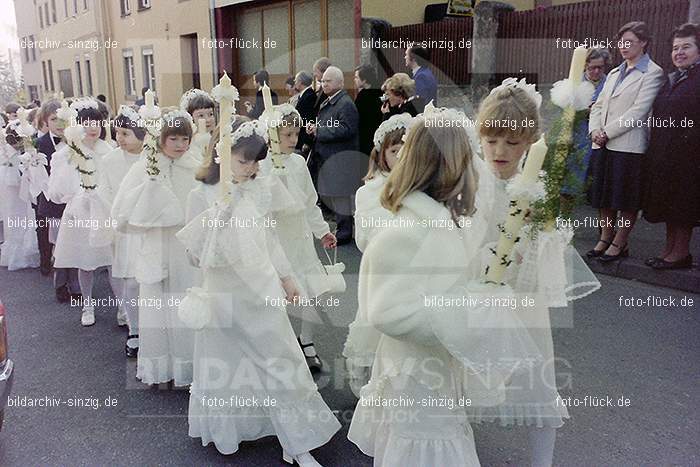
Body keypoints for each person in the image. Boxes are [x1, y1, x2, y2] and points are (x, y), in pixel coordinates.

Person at [347, 110, 541, 467]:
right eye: (471, 163)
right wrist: (468, 311)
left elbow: (451, 279)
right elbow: (387, 312)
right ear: (451, 168)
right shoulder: (408, 231)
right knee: (424, 448)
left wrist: (493, 272)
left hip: (433, 368)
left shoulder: (441, 222)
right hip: (416, 375)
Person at [177, 116, 340, 466]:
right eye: (243, 159)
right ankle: (233, 429)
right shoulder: (201, 194)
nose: (251, 168)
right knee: (227, 361)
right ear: (222, 152)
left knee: (279, 357)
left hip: (261, 287)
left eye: (256, 160)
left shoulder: (259, 189)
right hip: (224, 291)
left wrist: (288, 279)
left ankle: (295, 440)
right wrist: (214, 226)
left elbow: (269, 240)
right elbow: (193, 256)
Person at [474, 78, 598, 467]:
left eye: (512, 143)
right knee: (468, 377)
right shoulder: (469, 183)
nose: (500, 151)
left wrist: (538, 243)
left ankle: (542, 461)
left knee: (536, 379)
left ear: (530, 143)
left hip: (523, 298)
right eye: (492, 141)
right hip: (476, 291)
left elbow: (548, 246)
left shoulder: (538, 185)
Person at [111, 108, 201, 386]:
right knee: (159, 306)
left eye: (184, 138)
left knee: (186, 304)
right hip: (157, 247)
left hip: (185, 250)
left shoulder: (195, 166)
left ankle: (191, 365)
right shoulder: (145, 168)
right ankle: (162, 366)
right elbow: (121, 213)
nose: (180, 145)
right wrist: (149, 200)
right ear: (160, 138)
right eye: (173, 138)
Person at [259, 104, 337, 373]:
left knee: (310, 293)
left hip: (300, 235)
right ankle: (283, 344)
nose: (294, 140)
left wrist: (322, 231)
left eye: (296, 134)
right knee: (282, 292)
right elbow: (260, 206)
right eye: (287, 135)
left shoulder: (299, 163)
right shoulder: (262, 166)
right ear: (272, 135)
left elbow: (309, 202)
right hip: (277, 237)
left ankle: (307, 340)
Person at [343, 112, 413, 397]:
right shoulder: (369, 192)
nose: (402, 157)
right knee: (374, 326)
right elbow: (364, 240)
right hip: (382, 273)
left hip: (413, 274)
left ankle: (399, 383)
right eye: (396, 151)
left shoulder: (424, 188)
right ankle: (365, 383)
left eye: (409, 150)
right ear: (383, 154)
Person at [587, 21, 665, 262]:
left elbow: (638, 112)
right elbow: (598, 105)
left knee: (625, 197)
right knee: (604, 196)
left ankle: (620, 242)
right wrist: (594, 131)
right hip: (602, 142)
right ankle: (605, 237)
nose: (624, 46)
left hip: (628, 146)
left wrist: (607, 132)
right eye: (621, 42)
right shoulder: (613, 73)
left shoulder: (653, 73)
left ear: (643, 42)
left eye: (629, 41)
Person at [47, 98, 114, 326]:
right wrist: (79, 193)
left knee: (113, 261)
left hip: (106, 211)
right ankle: (87, 304)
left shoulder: (109, 151)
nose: (92, 128)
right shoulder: (65, 155)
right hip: (81, 214)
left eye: (96, 122)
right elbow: (55, 193)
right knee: (86, 262)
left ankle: (123, 306)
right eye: (85, 123)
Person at [642, 23, 700, 270]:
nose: (679, 52)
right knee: (668, 202)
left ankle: (680, 253)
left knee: (682, 205)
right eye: (676, 48)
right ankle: (669, 250)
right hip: (665, 152)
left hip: (689, 155)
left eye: (686, 47)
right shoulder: (672, 78)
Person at [98, 105, 146, 356]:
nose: (120, 139)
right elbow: (104, 191)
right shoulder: (110, 160)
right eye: (117, 133)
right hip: (124, 228)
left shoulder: (152, 158)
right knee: (130, 281)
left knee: (150, 280)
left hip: (149, 226)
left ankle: (155, 328)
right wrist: (118, 216)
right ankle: (134, 328)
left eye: (126, 133)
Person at [307, 66, 360, 245]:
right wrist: (315, 128)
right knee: (335, 195)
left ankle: (344, 232)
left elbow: (348, 129)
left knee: (341, 195)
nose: (324, 84)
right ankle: (341, 228)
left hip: (339, 157)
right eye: (323, 81)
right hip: (329, 155)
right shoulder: (330, 101)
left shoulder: (345, 103)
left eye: (328, 81)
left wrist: (320, 130)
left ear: (340, 82)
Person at [36, 100, 81, 296]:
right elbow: (38, 176)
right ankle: (60, 284)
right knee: (58, 244)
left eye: (62, 119)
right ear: (46, 121)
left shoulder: (77, 140)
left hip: (73, 198)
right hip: (51, 200)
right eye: (54, 119)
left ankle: (76, 283)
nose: (59, 124)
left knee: (74, 241)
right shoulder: (40, 143)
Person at [562, 48, 611, 200]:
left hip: (602, 131)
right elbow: (564, 110)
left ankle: (592, 195)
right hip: (579, 131)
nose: (596, 71)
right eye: (592, 67)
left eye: (600, 68)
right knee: (576, 164)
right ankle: (570, 194)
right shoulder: (576, 82)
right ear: (585, 66)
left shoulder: (610, 81)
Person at [0, 120, 40, 270]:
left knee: (24, 218)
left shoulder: (19, 153)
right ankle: (18, 253)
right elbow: (10, 177)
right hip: (14, 193)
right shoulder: (9, 155)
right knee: (16, 218)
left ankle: (27, 249)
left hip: (21, 192)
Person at [353, 64, 384, 156]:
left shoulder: (363, 96)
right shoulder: (380, 92)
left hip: (364, 137)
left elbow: (356, 116)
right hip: (378, 135)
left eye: (356, 77)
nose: (355, 80)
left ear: (365, 80)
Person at [180, 88, 217, 162]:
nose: (208, 119)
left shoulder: (219, 137)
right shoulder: (187, 144)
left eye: (210, 114)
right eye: (201, 116)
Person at [405, 45, 437, 109]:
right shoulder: (425, 72)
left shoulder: (421, 77)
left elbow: (419, 103)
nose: (405, 57)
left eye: (406, 55)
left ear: (413, 59)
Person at [294, 71, 316, 155]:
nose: (295, 83)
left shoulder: (309, 96)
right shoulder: (304, 95)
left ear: (300, 82)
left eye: (296, 81)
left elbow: (309, 119)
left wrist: (307, 141)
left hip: (303, 138)